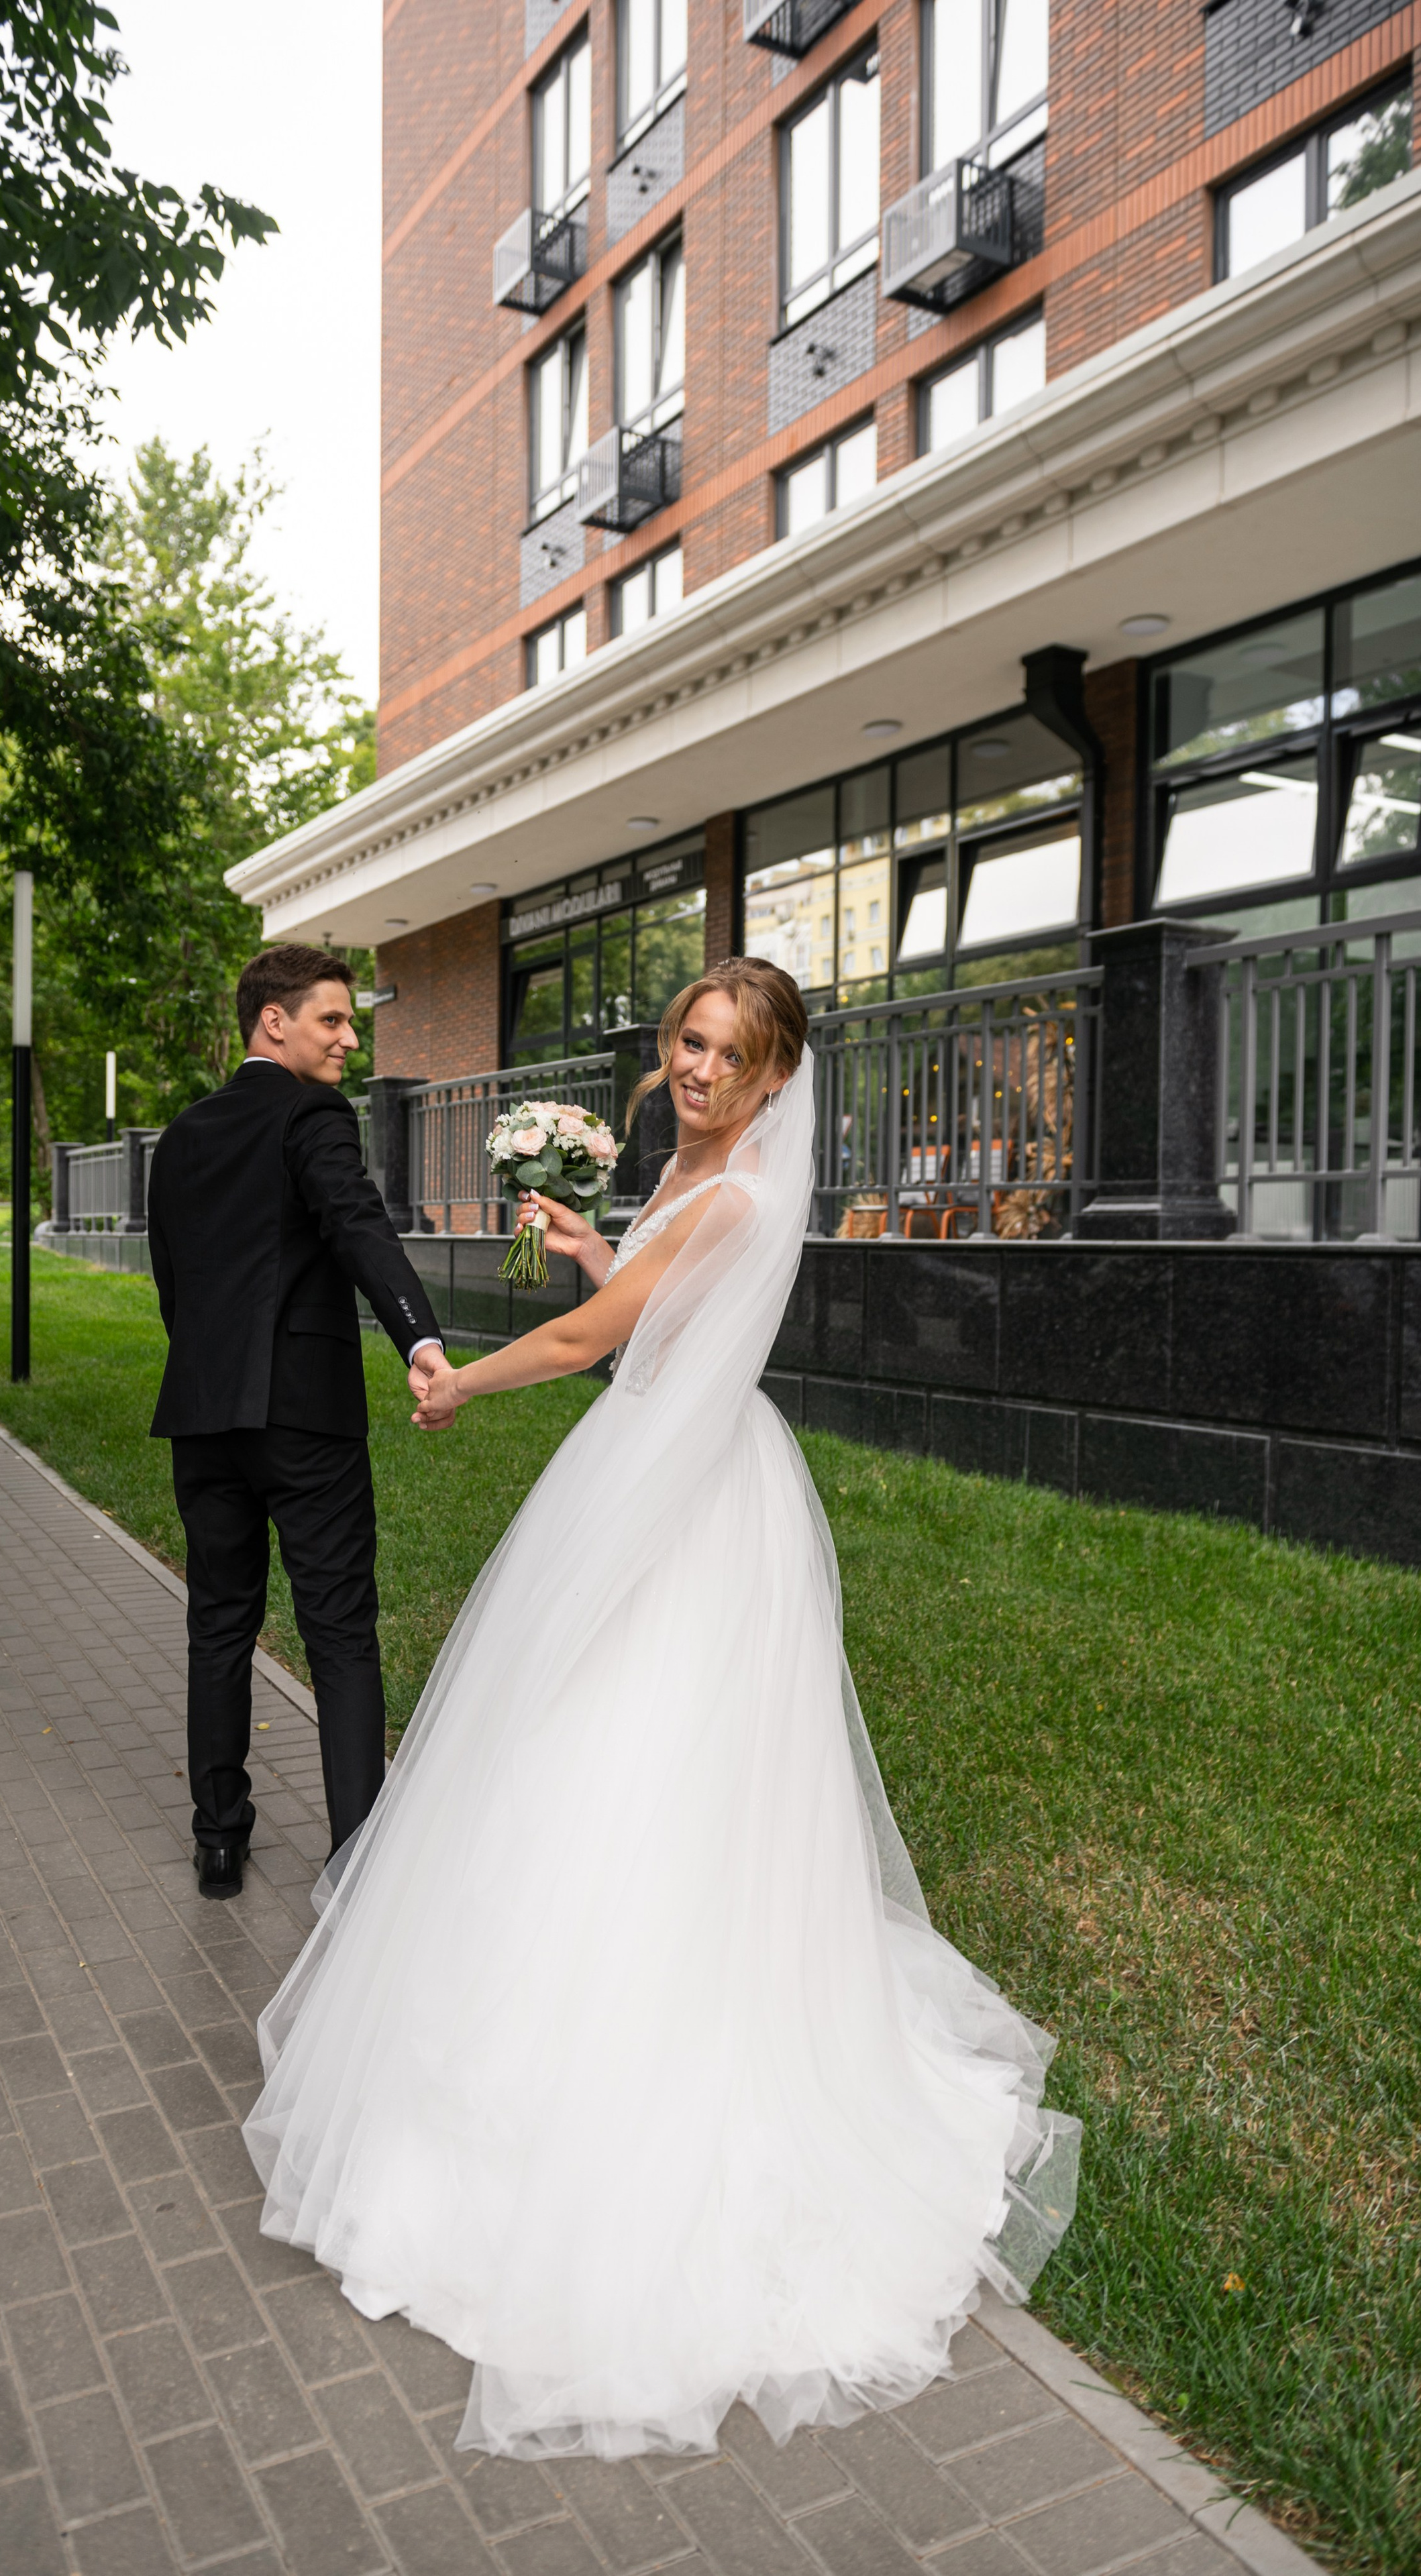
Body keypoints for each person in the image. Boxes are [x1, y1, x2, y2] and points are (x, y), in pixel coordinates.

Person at [242, 957, 1080, 2459]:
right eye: (689, 1041)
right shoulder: (693, 1180)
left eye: (728, 1057)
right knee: (571, 1749)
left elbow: (588, 1347)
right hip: (658, 1457)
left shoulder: (734, 1198)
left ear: (773, 1082)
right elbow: (644, 1322)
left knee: (639, 1760)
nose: (697, 1069)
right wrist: (589, 1245)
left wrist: (456, 1385)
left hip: (684, 1500)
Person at [146, 945, 450, 1899]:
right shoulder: (313, 1114)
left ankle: (218, 1839)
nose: (351, 1039)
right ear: (273, 1021)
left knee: (218, 1624)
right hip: (305, 1418)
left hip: (203, 1413)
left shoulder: (182, 1135)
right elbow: (356, 1222)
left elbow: (172, 1282)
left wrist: (212, 1368)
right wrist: (419, 1338)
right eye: (334, 1019)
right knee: (340, 1632)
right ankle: (355, 1865)